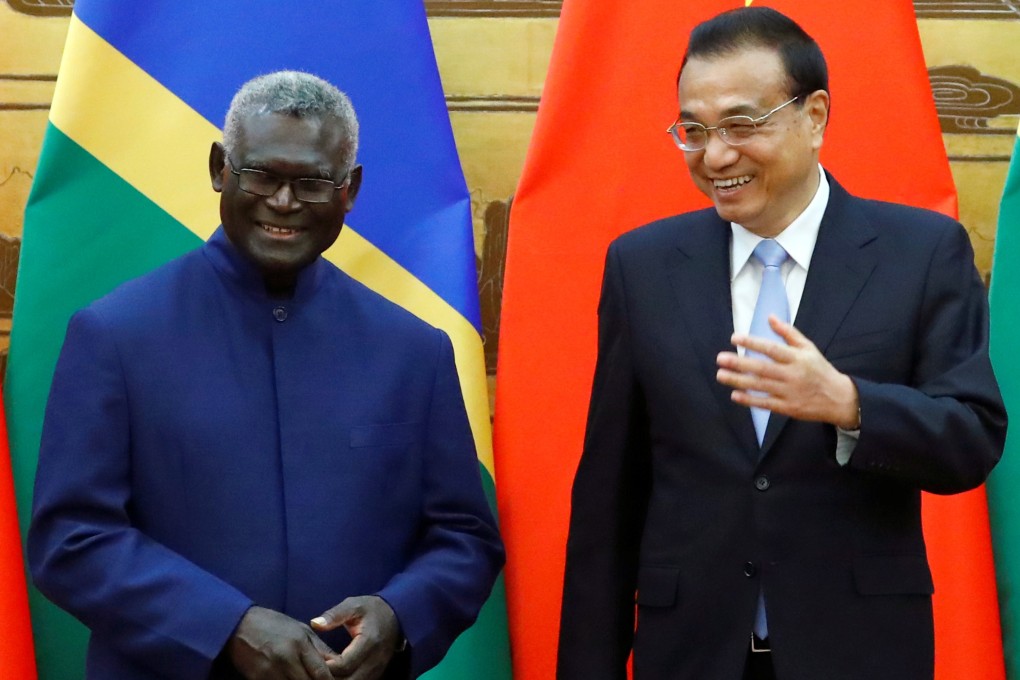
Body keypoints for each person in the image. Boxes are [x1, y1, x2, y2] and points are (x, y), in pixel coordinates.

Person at [557, 7, 1006, 680]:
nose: (715, 157)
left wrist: (852, 405)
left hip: (858, 652)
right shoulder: (643, 267)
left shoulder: (920, 252)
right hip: (691, 653)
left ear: (814, 115)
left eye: (742, 125)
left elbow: (971, 437)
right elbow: (610, 497)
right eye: (694, 131)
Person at [29, 70, 504, 680]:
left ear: (350, 189)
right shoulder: (114, 335)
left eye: (310, 182)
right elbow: (72, 540)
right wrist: (224, 626)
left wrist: (398, 615)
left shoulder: (414, 350)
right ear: (219, 169)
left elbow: (464, 538)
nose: (283, 203)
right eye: (261, 175)